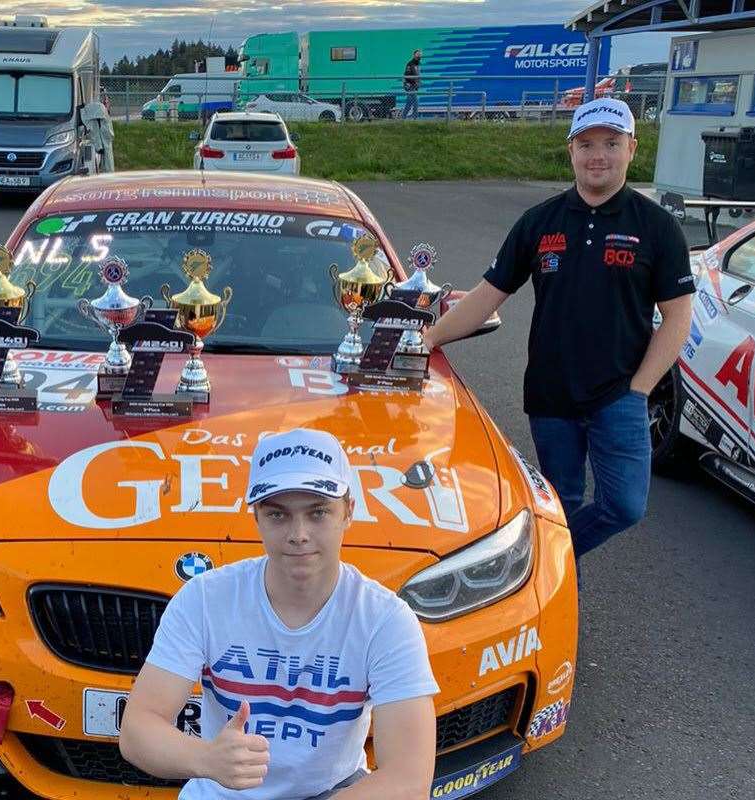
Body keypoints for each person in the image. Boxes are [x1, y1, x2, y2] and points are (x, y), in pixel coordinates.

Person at [424, 98, 693, 563]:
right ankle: (558, 603)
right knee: (561, 505)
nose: (598, 155)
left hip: (620, 395)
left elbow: (678, 317)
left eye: (611, 143)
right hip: (552, 396)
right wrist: (428, 339)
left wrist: (640, 389)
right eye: (587, 144)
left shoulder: (657, 227)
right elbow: (488, 295)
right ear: (571, 151)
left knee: (624, 505)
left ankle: (543, 560)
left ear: (632, 147)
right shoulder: (539, 221)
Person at [119, 429, 438, 800]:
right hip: (222, 790)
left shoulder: (385, 620)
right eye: (278, 514)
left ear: (348, 511)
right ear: (256, 517)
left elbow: (408, 779)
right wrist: (207, 758)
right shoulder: (205, 600)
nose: (298, 534)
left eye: (318, 512)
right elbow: (137, 729)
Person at [80, 97, 115, 173]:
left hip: (100, 143)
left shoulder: (102, 120)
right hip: (98, 144)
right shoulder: (99, 119)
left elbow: (107, 135)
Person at [401, 50, 421, 120]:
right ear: (414, 55)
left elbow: (417, 75)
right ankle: (415, 119)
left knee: (409, 104)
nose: (419, 56)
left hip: (413, 86)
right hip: (410, 86)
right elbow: (407, 75)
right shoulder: (410, 64)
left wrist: (418, 82)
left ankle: (403, 118)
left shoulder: (417, 64)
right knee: (415, 103)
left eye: (420, 55)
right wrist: (413, 83)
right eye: (417, 54)